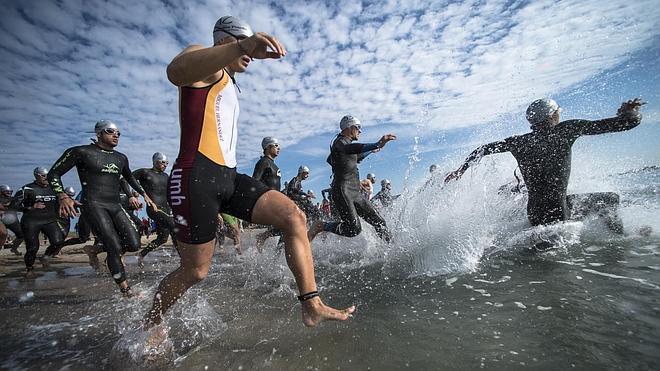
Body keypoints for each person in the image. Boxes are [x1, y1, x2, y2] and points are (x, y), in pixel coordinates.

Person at [143, 15, 354, 334]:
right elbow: (175, 71)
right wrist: (243, 44)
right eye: (242, 42)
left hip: (228, 177)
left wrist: (242, 47)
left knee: (294, 216)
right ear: (225, 40)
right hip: (195, 176)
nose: (250, 55)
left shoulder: (227, 79)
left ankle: (311, 305)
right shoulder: (205, 62)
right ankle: (151, 324)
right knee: (195, 271)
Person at [446, 98, 644, 235]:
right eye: (558, 111)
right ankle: (622, 238)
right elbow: (624, 125)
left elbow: (482, 149)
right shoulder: (567, 130)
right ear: (552, 115)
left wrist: (460, 171)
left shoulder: (518, 142)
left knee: (593, 200)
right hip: (559, 212)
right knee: (610, 199)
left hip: (534, 212)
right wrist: (631, 113)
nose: (559, 114)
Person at [48, 119, 155, 297]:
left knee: (134, 243)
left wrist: (145, 195)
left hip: (115, 205)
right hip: (94, 205)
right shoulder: (81, 152)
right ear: (98, 133)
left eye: (118, 133)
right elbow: (54, 173)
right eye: (110, 131)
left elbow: (130, 179)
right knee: (113, 246)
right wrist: (63, 196)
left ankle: (95, 251)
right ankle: (126, 289)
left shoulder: (120, 158)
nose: (116, 135)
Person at [308, 115, 396, 242]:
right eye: (358, 127)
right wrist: (376, 144)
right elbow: (348, 149)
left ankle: (392, 248)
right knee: (353, 228)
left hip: (355, 192)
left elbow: (354, 156)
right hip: (343, 191)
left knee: (380, 222)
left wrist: (373, 149)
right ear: (349, 128)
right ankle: (321, 225)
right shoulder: (340, 142)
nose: (360, 131)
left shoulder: (344, 147)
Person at [12, 167, 65, 276]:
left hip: (49, 220)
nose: (46, 178)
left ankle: (45, 257)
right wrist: (30, 207)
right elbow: (14, 205)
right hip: (32, 222)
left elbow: (61, 200)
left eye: (48, 176)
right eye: (43, 176)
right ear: (37, 176)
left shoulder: (53, 188)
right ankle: (30, 268)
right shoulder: (26, 189)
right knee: (33, 248)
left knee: (58, 242)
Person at [134, 152, 178, 268]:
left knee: (162, 239)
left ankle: (141, 254)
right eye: (163, 162)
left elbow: (169, 194)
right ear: (155, 161)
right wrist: (137, 195)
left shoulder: (165, 176)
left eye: (167, 163)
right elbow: (126, 179)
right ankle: (184, 259)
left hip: (165, 209)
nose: (165, 165)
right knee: (174, 227)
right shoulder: (144, 172)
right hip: (154, 208)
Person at [253, 137, 282, 252]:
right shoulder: (263, 162)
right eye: (276, 145)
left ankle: (277, 254)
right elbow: (254, 182)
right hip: (268, 201)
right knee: (288, 224)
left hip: (276, 200)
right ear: (268, 147)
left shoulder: (273, 164)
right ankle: (277, 255)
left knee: (287, 226)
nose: (278, 148)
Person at [1, 184, 24, 255]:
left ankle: (14, 248)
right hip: (1, 220)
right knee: (3, 234)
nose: (9, 193)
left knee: (22, 235)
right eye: (7, 192)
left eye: (10, 191)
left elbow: (19, 207)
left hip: (13, 220)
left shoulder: (14, 199)